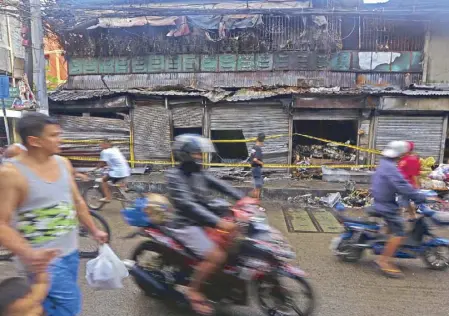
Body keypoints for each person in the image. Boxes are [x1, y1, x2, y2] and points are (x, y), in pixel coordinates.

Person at [0, 112, 108, 316]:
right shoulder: (11, 174)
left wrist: (94, 230)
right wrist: (29, 254)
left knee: (48, 306)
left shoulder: (63, 163)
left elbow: (76, 201)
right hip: (42, 260)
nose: (60, 139)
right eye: (53, 135)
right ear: (34, 141)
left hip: (71, 252)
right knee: (70, 306)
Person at [166, 134, 253, 316]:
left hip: (202, 220)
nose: (199, 157)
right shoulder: (175, 176)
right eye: (195, 154)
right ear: (184, 155)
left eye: (200, 154)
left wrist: (242, 197)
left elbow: (220, 184)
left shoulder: (198, 172)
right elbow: (189, 205)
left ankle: (219, 281)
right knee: (217, 256)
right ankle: (193, 290)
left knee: (234, 240)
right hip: (185, 224)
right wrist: (218, 222)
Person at [371, 140, 428, 278]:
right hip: (385, 204)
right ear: (400, 154)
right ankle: (383, 261)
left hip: (381, 200)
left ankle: (386, 245)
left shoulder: (385, 163)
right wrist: (419, 197)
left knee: (394, 221)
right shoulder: (391, 168)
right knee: (400, 231)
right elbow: (403, 185)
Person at [95, 138, 131, 203]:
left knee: (103, 180)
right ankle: (123, 187)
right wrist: (108, 166)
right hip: (126, 170)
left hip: (118, 172)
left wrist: (95, 169)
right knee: (113, 180)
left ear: (106, 144)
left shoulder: (104, 152)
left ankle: (107, 198)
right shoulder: (115, 149)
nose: (101, 146)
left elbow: (101, 163)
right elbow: (115, 160)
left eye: (102, 144)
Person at [398, 141, 421, 217]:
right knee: (405, 202)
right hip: (402, 184)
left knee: (401, 202)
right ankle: (413, 216)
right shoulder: (403, 159)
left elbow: (414, 174)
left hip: (408, 185)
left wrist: (417, 185)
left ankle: (397, 220)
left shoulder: (412, 160)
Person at [249, 133, 265, 199]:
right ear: (262, 141)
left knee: (257, 186)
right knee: (258, 187)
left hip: (253, 168)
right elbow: (255, 159)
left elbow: (251, 158)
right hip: (257, 168)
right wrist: (261, 163)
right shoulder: (258, 148)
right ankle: (255, 203)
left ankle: (252, 199)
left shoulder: (254, 147)